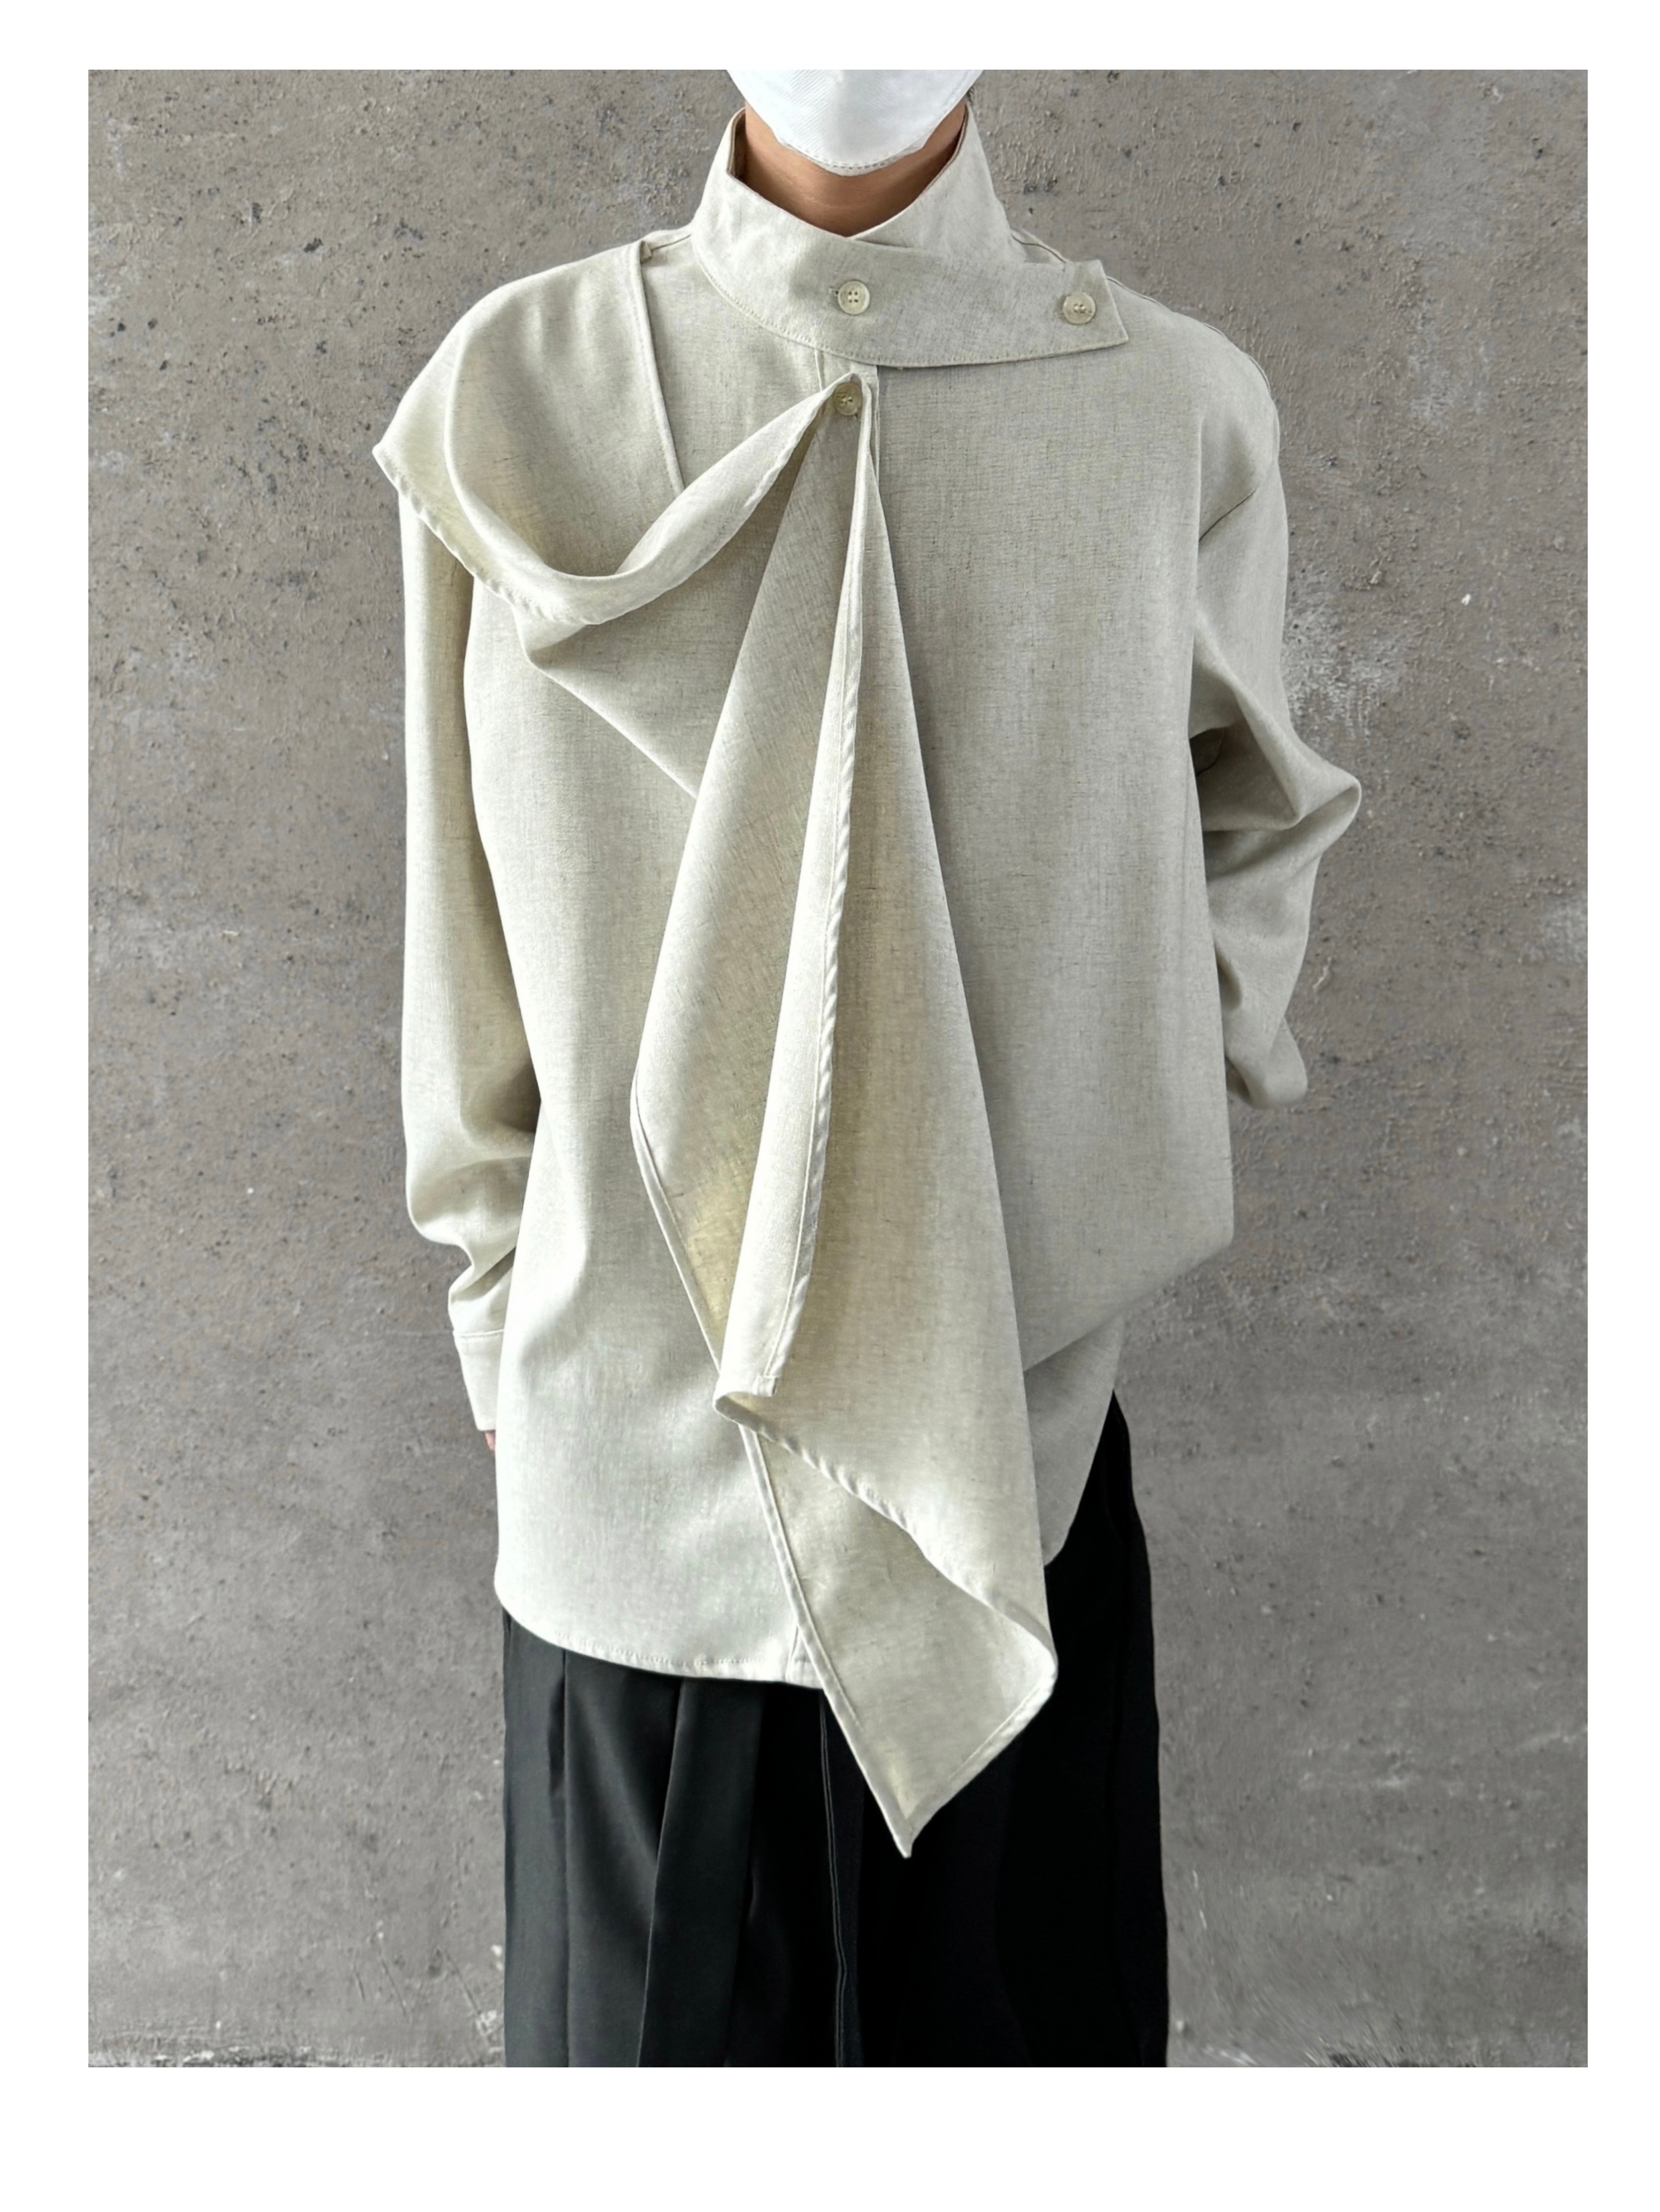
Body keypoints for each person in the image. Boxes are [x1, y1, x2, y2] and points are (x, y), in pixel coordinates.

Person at [373, 68, 1361, 2066]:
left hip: (1014, 1432)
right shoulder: (518, 388)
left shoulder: (1170, 401)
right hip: (629, 1457)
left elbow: (1253, 815)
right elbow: (454, 892)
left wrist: (1132, 1090)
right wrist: (492, 1297)